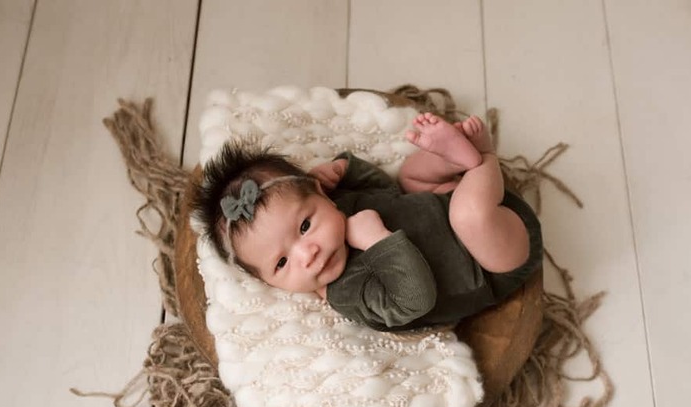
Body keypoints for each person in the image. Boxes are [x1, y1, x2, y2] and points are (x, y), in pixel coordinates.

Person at [192, 113, 542, 331]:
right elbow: (414, 300)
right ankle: (483, 159)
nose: (307, 254)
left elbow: (384, 189)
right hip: (493, 261)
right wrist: (378, 242)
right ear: (267, 281)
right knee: (467, 216)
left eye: (304, 227)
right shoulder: (346, 292)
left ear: (321, 193)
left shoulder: (340, 206)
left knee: (409, 176)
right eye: (282, 263)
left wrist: (344, 169)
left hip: (445, 198)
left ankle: (457, 160)